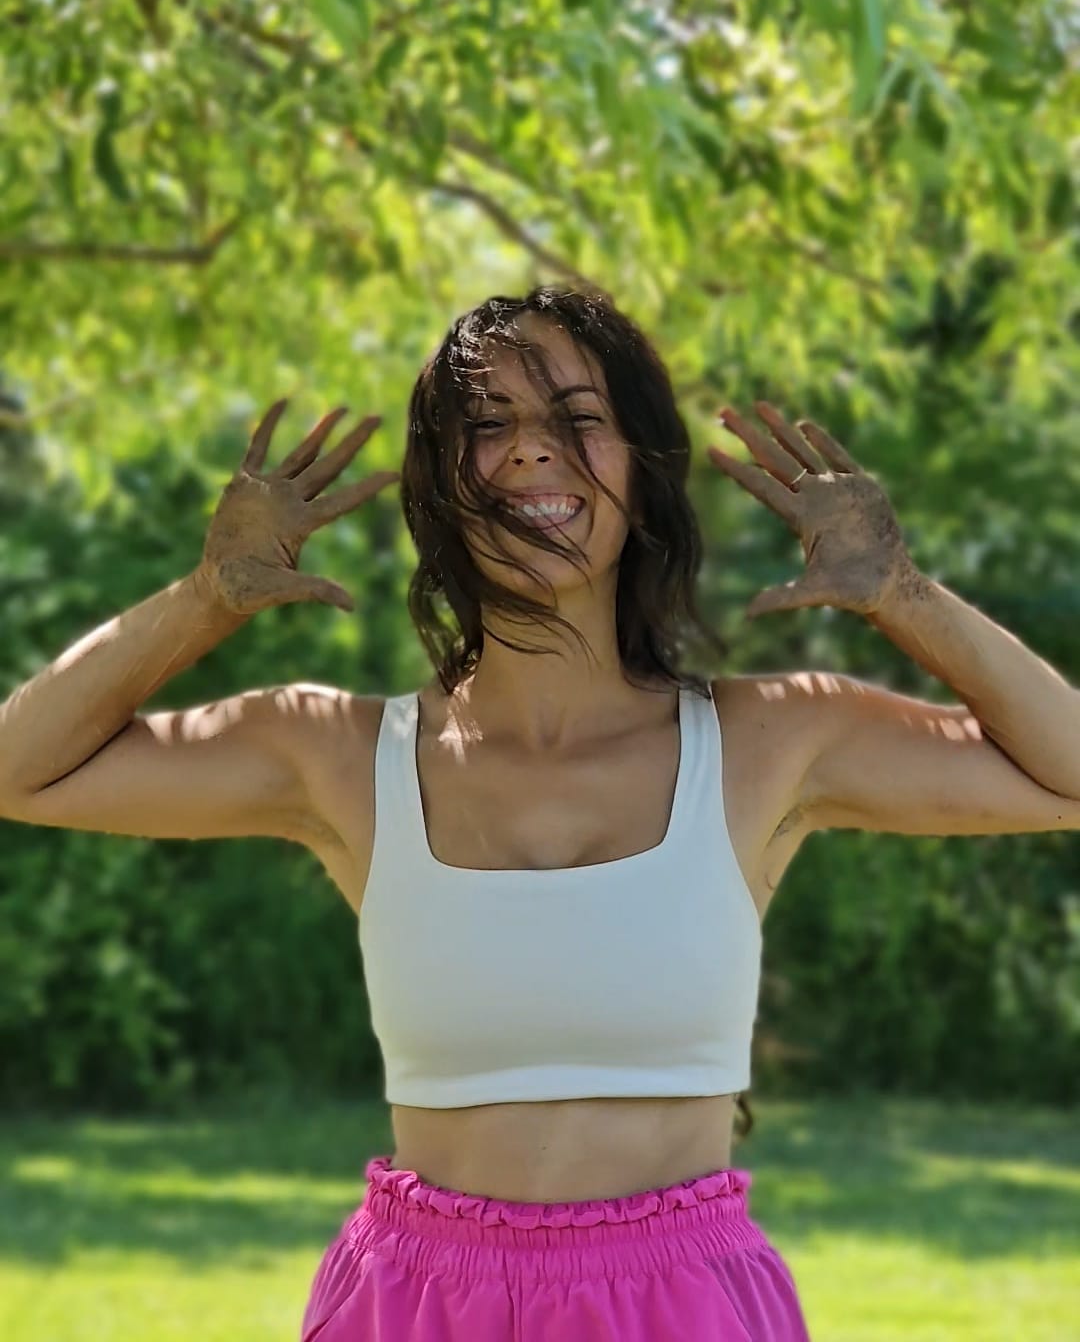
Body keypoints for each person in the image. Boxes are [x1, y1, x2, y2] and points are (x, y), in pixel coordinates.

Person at [2, 285, 1078, 1342]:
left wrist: (901, 593)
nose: (530, 449)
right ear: (440, 483)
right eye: (489, 424)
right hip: (418, 1306)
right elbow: (22, 770)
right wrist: (208, 598)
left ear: (645, 475)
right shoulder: (336, 756)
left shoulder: (768, 743)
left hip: (684, 1304)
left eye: (577, 418)